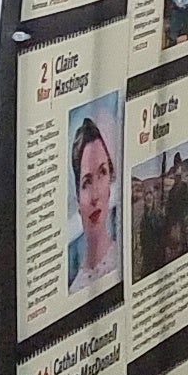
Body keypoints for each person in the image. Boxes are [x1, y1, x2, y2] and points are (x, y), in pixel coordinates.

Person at [65, 114, 120, 290]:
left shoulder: (126, 257)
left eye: (102, 173)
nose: (95, 194)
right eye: (86, 182)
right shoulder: (75, 288)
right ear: (77, 196)